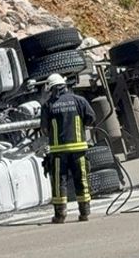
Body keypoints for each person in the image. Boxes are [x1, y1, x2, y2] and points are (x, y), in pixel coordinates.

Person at [40, 73, 97, 223]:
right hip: (79, 150)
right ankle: (84, 212)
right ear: (64, 86)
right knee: (82, 179)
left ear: (51, 89)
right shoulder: (80, 101)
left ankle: (60, 215)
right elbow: (91, 118)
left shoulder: (48, 105)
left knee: (60, 182)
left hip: (59, 152)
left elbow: (44, 129)